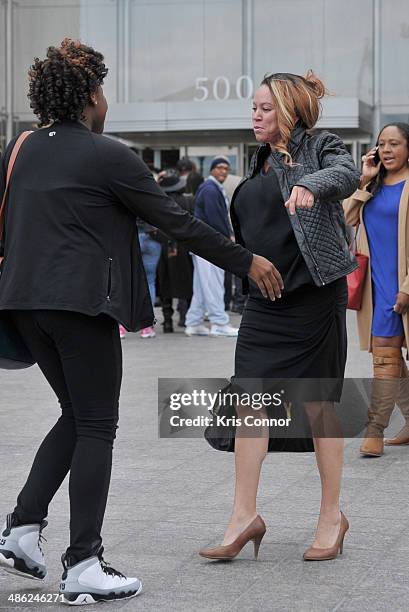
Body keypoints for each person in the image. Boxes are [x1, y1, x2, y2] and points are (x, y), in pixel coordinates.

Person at [0, 39, 281, 605]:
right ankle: (83, 562)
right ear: (88, 97)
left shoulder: (20, 147)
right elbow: (178, 222)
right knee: (98, 424)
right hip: (82, 308)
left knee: (76, 415)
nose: (107, 103)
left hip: (25, 306)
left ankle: (22, 529)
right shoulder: (108, 153)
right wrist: (245, 261)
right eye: (102, 91)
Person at [198, 71, 360, 563]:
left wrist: (311, 184)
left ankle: (332, 515)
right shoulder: (260, 159)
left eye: (265, 108)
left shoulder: (320, 146)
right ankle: (244, 516)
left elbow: (346, 174)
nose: (255, 115)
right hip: (265, 306)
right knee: (250, 399)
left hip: (314, 298)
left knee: (317, 406)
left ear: (289, 110)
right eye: (253, 107)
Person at [343, 123, 409, 457]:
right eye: (381, 144)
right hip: (378, 285)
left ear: (408, 148)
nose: (386, 150)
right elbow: (347, 217)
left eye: (394, 144)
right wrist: (363, 180)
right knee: (386, 355)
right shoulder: (375, 185)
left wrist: (408, 288)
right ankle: (376, 431)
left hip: (405, 285)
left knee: (390, 356)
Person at [185, 156, 239, 337]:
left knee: (202, 286)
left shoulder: (211, 187)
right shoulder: (210, 189)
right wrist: (228, 239)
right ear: (212, 170)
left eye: (226, 168)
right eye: (220, 167)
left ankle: (193, 323)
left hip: (204, 244)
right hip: (210, 245)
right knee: (213, 285)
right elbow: (216, 219)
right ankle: (219, 323)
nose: (224, 171)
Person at [156, 171, 194, 332]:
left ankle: (168, 321)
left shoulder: (159, 202)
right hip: (184, 246)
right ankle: (185, 318)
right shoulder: (188, 201)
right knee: (186, 282)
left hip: (164, 246)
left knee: (165, 283)